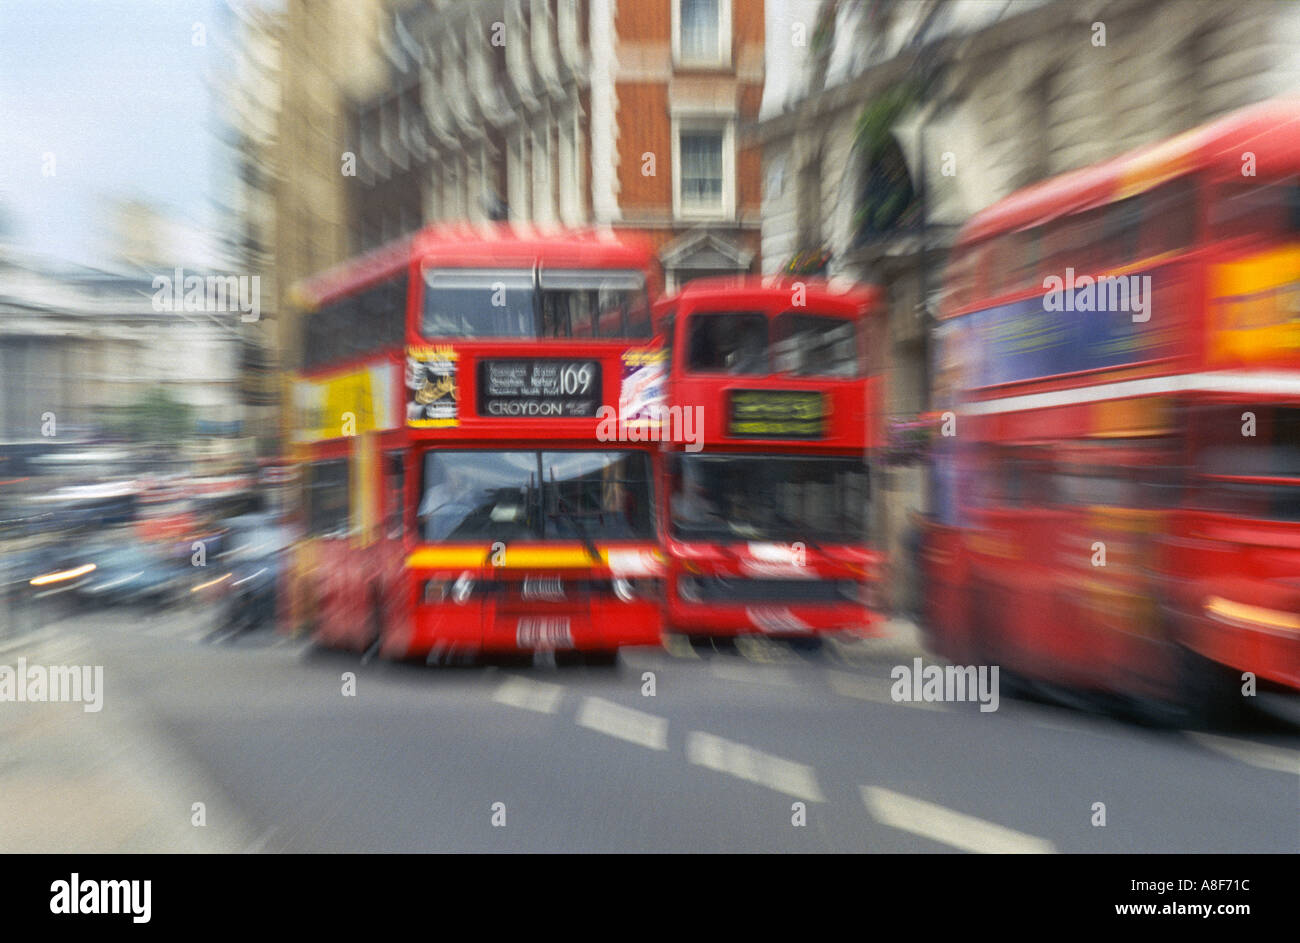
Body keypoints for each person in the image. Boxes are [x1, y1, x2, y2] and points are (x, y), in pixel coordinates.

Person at [416, 464, 478, 541]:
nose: (454, 479)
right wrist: (435, 515)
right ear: (445, 477)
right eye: (451, 476)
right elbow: (422, 519)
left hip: (464, 536)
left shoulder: (468, 494)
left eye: (458, 476)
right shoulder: (434, 493)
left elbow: (475, 514)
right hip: (437, 538)